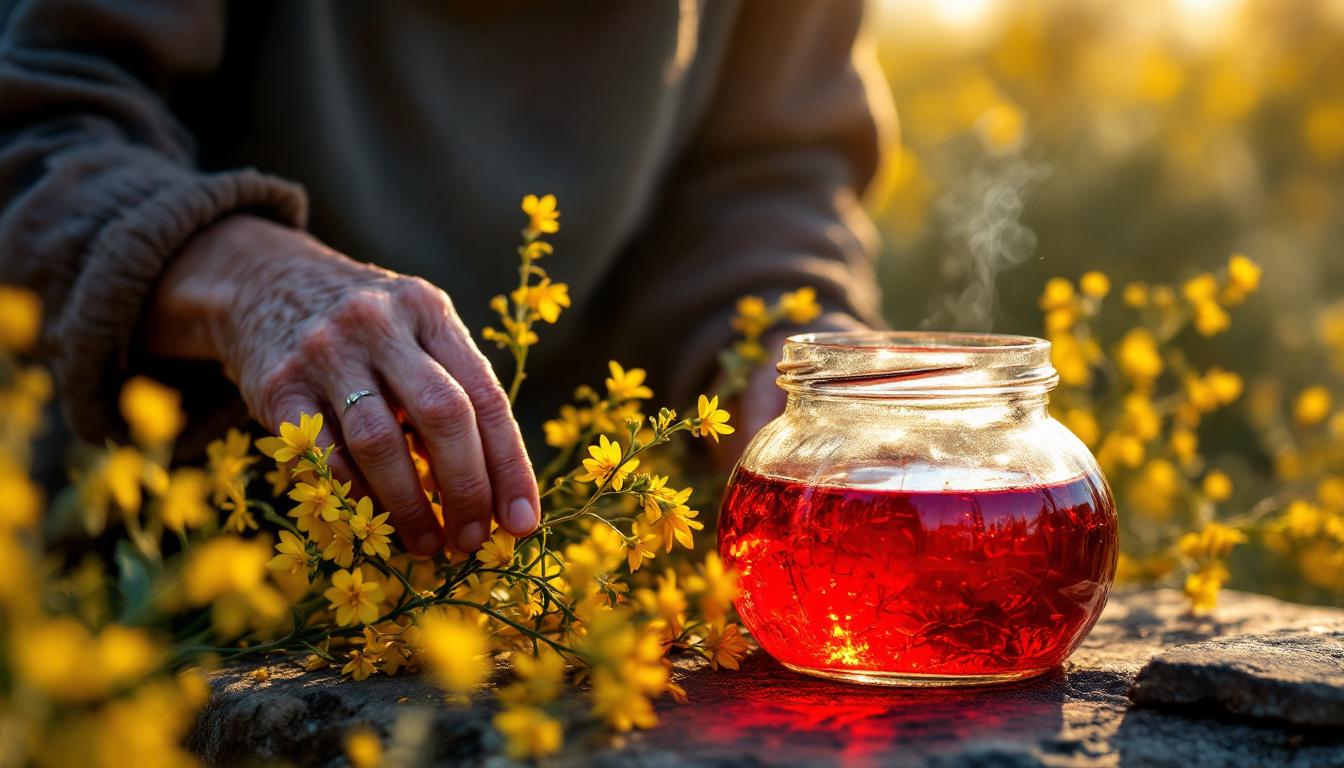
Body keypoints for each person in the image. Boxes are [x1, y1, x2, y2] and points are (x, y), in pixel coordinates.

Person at [0, 0, 892, 557]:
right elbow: (37, 128)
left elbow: (772, 167)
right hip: (167, 555)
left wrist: (788, 349)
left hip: (569, 556)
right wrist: (252, 282)